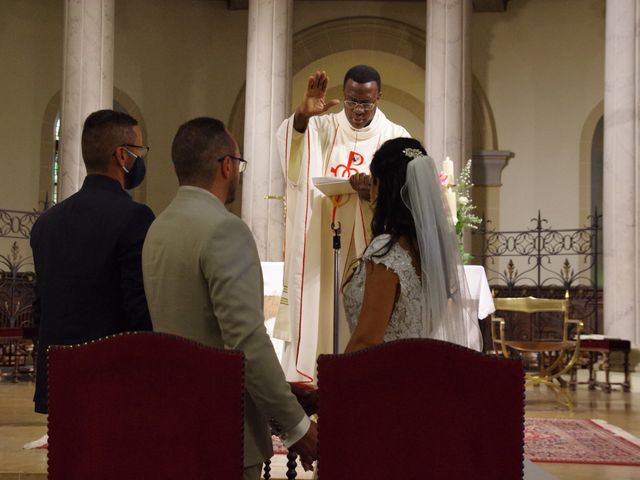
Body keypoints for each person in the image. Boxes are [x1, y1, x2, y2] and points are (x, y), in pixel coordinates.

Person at [142, 117, 318, 479]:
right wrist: (297, 427)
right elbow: (246, 341)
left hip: (173, 419)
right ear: (226, 165)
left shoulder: (158, 227)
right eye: (239, 163)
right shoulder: (225, 229)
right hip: (221, 425)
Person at [274, 65, 410, 383]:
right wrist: (303, 116)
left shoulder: (396, 136)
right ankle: (315, 383)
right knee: (322, 313)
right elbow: (291, 151)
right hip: (322, 245)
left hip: (369, 249)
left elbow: (409, 189)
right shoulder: (321, 129)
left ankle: (362, 384)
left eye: (366, 103)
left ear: (379, 97)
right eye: (351, 101)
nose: (358, 111)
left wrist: (375, 191)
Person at [30, 109, 154, 417]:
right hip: (112, 382)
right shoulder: (135, 217)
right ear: (122, 156)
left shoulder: (46, 223)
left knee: (66, 464)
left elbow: (40, 308)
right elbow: (138, 309)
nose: (141, 158)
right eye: (139, 150)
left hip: (58, 379)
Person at [342, 137, 481, 353]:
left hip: (382, 375)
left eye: (374, 181)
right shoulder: (427, 249)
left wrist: (335, 381)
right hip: (415, 371)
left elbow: (366, 340)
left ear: (381, 187)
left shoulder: (386, 251)